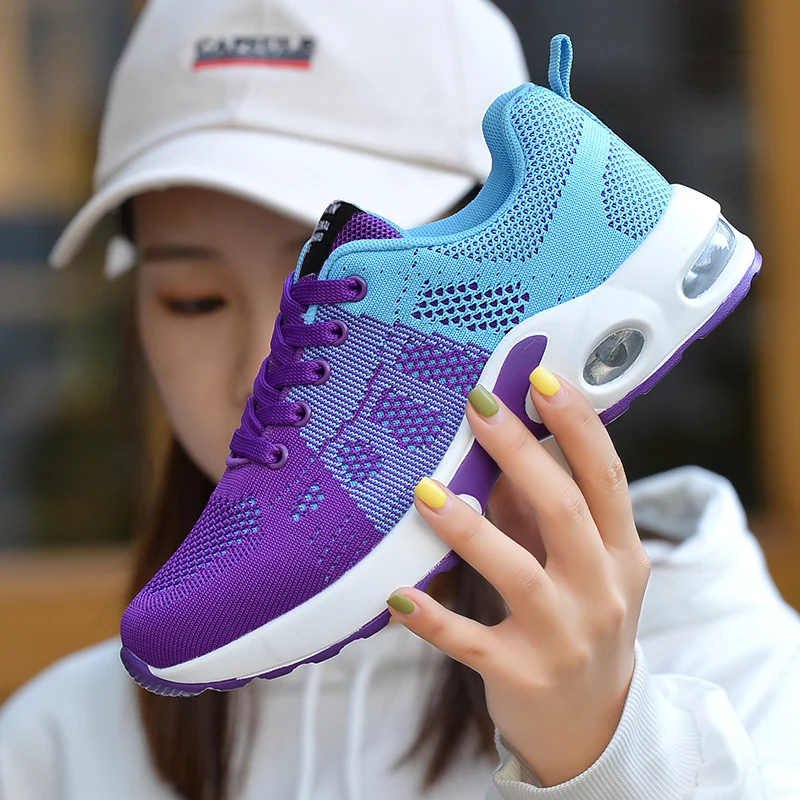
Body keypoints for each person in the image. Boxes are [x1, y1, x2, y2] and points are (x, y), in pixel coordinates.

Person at [2, 1, 800, 799]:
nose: (257, 367)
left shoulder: (740, 665)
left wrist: (607, 756)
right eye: (192, 300)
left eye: (327, 303)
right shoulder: (53, 740)